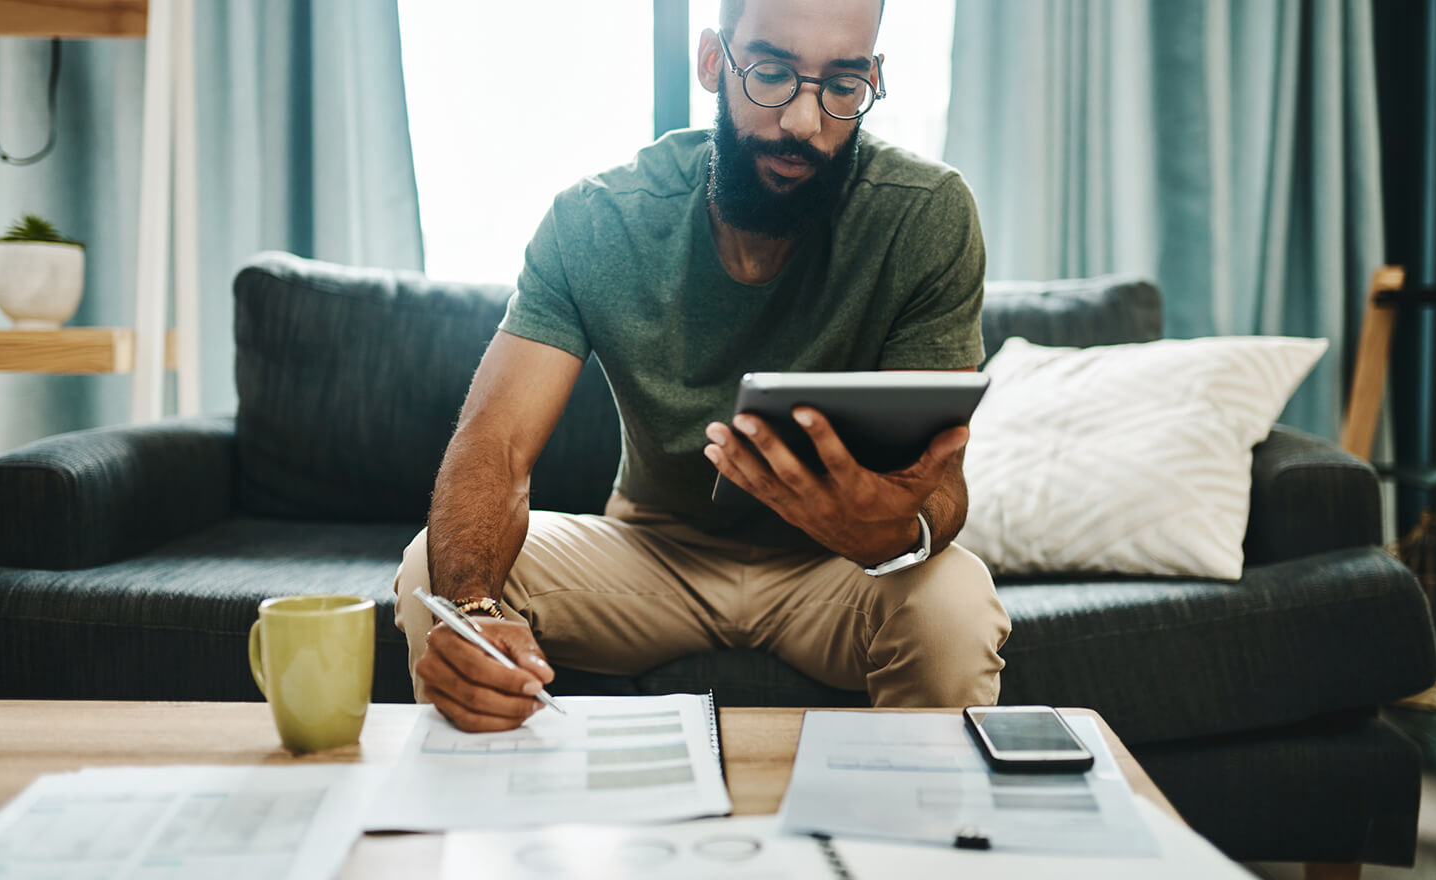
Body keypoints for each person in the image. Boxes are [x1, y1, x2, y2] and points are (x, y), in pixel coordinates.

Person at [394, 0, 1009, 732]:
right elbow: (495, 442)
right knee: (433, 573)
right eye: (773, 73)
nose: (805, 123)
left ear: (872, 77)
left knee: (958, 601)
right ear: (714, 62)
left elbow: (937, 487)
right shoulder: (599, 219)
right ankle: (479, 819)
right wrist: (470, 613)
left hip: (836, 571)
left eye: (842, 86)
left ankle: (917, 841)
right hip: (652, 557)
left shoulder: (926, 214)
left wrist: (894, 531)